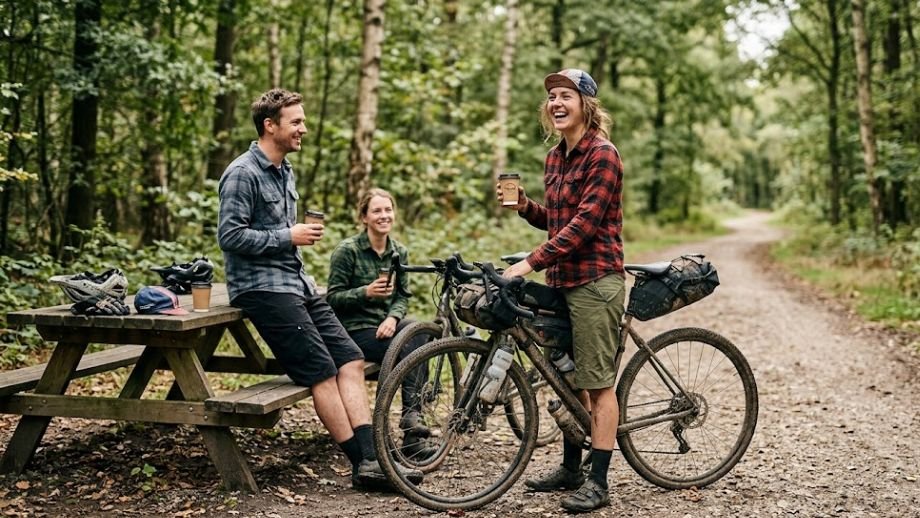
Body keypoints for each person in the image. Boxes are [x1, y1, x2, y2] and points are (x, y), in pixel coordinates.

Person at [217, 88, 422, 490]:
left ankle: (373, 456)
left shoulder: (284, 171)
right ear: (269, 125)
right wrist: (287, 235)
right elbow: (230, 236)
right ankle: (363, 464)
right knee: (321, 371)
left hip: (298, 283)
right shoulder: (242, 172)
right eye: (296, 122)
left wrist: (290, 239)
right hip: (262, 289)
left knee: (349, 358)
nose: (303, 129)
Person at [498, 69, 625, 513]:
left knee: (597, 383)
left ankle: (600, 481)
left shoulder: (603, 155)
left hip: (595, 282)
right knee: (568, 377)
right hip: (561, 281)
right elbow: (556, 220)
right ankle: (571, 468)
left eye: (565, 96)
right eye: (551, 96)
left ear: (585, 104)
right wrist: (525, 207)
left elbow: (584, 226)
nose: (556, 103)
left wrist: (528, 263)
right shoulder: (555, 157)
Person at [326, 188, 437, 461]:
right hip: (354, 331)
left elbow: (402, 296)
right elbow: (331, 299)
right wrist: (366, 292)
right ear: (364, 217)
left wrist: (392, 317)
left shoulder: (399, 251)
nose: (383, 216)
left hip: (385, 327)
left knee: (418, 332)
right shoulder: (347, 251)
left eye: (388, 210)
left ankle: (412, 420)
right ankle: (402, 437)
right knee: (410, 347)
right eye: (376, 211)